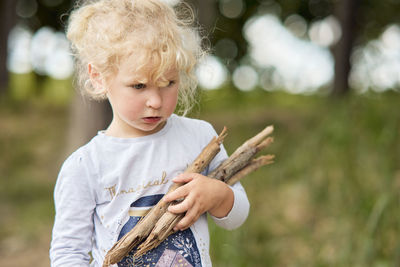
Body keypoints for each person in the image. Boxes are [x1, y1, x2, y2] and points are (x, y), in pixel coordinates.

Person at [49, 0, 250, 266]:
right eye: (139, 85)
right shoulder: (86, 166)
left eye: (168, 83)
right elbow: (68, 254)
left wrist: (217, 195)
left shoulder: (199, 137)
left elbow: (237, 216)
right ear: (98, 77)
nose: (155, 100)